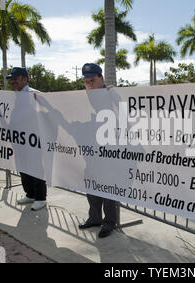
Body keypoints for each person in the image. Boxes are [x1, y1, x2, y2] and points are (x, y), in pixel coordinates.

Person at [77, 63, 118, 238]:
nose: (89, 84)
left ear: (101, 78)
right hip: (92, 151)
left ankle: (109, 222)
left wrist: (113, 93)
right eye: (86, 81)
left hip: (110, 150)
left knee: (109, 188)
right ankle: (94, 218)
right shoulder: (84, 97)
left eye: (92, 80)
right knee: (92, 186)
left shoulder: (112, 94)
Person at [8, 67, 47, 211]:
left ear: (25, 79)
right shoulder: (15, 96)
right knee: (23, 168)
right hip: (20, 140)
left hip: (33, 140)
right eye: (11, 79)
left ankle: (41, 198)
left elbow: (47, 108)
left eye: (15, 78)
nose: (13, 82)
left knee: (36, 168)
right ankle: (30, 194)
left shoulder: (33, 94)